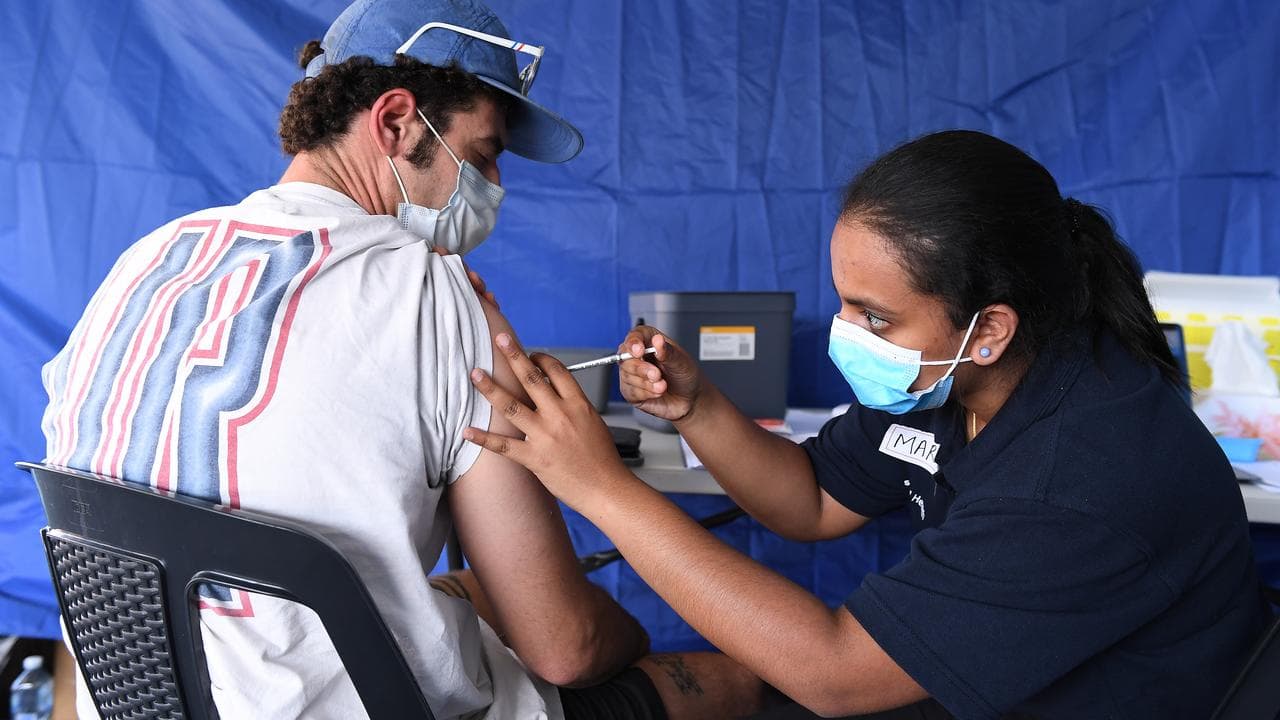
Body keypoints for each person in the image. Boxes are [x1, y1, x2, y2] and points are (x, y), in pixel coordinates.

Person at [40, 0, 767, 717]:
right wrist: (632, 638)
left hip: (141, 696)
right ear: (395, 122)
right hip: (356, 704)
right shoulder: (430, 290)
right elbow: (567, 646)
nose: (495, 187)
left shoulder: (154, 258)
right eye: (482, 156)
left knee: (470, 594)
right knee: (732, 681)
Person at [461, 130, 1274, 719]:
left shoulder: (1078, 475)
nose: (847, 334)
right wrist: (697, 407)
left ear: (988, 329)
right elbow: (813, 498)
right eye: (845, 302)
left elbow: (836, 674)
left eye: (875, 317)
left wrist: (601, 488)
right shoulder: (944, 382)